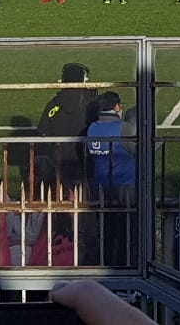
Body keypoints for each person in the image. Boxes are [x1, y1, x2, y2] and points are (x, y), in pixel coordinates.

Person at [85, 92, 137, 267]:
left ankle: (105, 267)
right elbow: (141, 151)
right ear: (116, 107)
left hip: (100, 189)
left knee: (105, 234)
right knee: (126, 236)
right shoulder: (124, 128)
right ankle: (126, 270)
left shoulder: (91, 128)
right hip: (125, 188)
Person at [35, 62, 99, 197]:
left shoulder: (54, 105)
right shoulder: (91, 104)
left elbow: (43, 132)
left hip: (60, 162)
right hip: (85, 161)